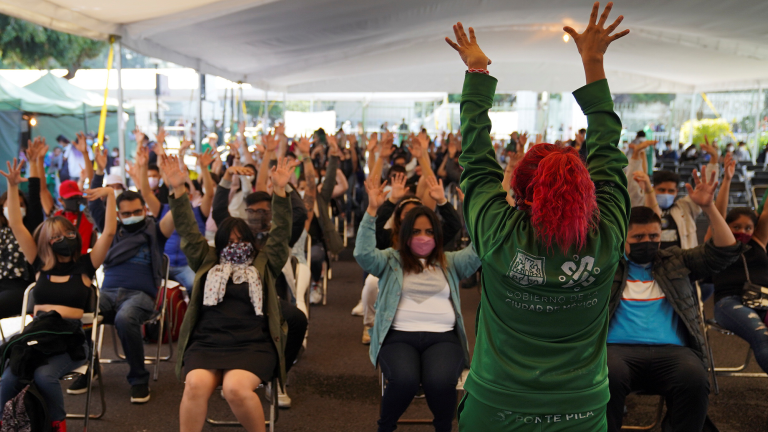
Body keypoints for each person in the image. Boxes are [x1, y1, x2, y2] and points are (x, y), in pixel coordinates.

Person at [445, 3, 630, 429]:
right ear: (587, 189)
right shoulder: (607, 234)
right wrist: (594, 63)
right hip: (581, 409)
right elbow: (607, 153)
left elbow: (474, 157)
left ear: (519, 191)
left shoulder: (496, 232)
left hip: (496, 406)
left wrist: (477, 74)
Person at [169, 155, 295, 432]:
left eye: (242, 241)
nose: (236, 246)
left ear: (251, 243)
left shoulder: (264, 263)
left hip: (252, 343)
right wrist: (178, 191)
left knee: (235, 389)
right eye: (230, 242)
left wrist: (282, 191)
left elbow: (282, 231)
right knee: (194, 385)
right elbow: (189, 232)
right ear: (220, 244)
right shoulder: (207, 261)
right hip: (208, 342)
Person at [607, 176, 743, 432]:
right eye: (638, 237)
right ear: (622, 238)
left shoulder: (675, 260)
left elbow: (724, 251)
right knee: (606, 376)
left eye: (653, 235)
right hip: (618, 351)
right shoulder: (609, 267)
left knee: (693, 377)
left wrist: (709, 207)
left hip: (674, 352)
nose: (647, 241)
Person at [355, 179, 481, 432]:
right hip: (398, 337)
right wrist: (371, 212)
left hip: (443, 338)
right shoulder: (391, 259)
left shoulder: (451, 261)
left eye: (429, 231)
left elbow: (480, 250)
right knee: (403, 381)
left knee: (441, 381)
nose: (423, 237)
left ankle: (443, 428)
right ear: (404, 233)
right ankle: (385, 427)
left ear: (437, 234)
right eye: (415, 232)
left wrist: (473, 211)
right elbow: (363, 254)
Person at [0, 158, 116, 432]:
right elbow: (17, 224)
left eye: (68, 233)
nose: (65, 238)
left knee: (45, 375)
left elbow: (109, 231)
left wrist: (110, 194)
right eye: (57, 235)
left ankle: (57, 425)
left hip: (70, 338)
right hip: (37, 333)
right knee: (8, 379)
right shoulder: (39, 264)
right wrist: (13, 186)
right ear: (45, 242)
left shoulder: (86, 264)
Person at [77, 174, 175, 403]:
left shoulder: (155, 232)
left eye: (137, 211)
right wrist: (98, 174)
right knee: (78, 312)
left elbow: (177, 214)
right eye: (127, 214)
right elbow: (94, 203)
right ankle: (87, 366)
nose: (132, 217)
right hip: (108, 294)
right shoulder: (112, 231)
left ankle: (139, 379)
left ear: (145, 210)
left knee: (125, 318)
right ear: (118, 216)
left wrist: (176, 188)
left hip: (140, 297)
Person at [710, 155, 768, 375]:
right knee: (761, 335)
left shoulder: (759, 243)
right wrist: (727, 180)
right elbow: (718, 213)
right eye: (736, 226)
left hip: (764, 299)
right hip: (730, 302)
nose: (742, 232)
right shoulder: (719, 243)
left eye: (747, 228)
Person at [0, 139, 45, 321]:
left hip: (21, 287)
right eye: (11, 204)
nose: (15, 208)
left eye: (20, 205)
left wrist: (33, 163)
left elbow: (34, 195)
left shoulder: (29, 228)